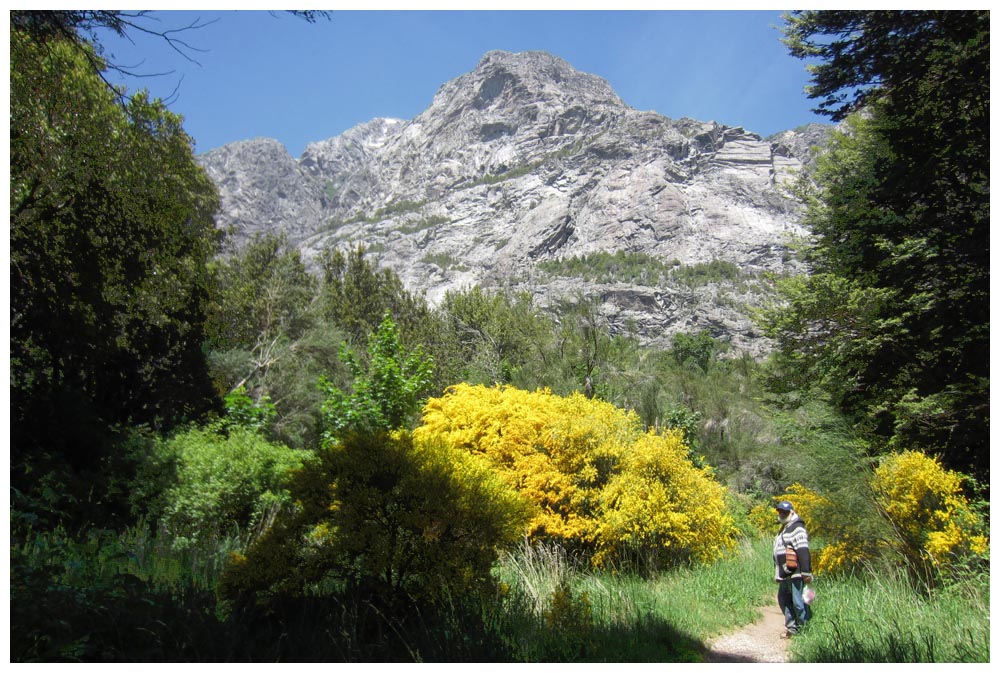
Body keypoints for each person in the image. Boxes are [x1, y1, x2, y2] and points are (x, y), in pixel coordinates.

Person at [773, 500, 812, 637]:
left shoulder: (797, 528)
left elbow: (803, 550)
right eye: (780, 511)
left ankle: (804, 629)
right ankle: (792, 628)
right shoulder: (784, 528)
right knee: (784, 600)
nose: (782, 514)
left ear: (791, 512)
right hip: (785, 573)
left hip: (796, 572)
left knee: (798, 602)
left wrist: (806, 572)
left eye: (785, 512)